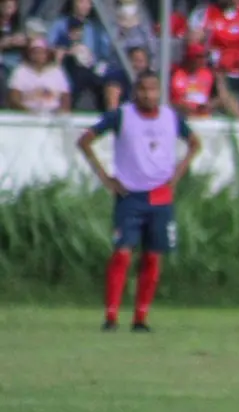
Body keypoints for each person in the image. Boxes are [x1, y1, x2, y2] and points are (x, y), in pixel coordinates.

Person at [77, 71, 202, 332]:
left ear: (160, 92)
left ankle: (140, 317)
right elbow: (85, 140)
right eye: (143, 90)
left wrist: (176, 176)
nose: (148, 95)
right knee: (122, 254)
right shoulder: (122, 115)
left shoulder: (171, 117)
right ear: (135, 92)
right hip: (129, 195)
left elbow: (194, 143)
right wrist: (106, 178)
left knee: (153, 257)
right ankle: (111, 315)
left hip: (160, 195)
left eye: (153, 89)